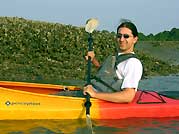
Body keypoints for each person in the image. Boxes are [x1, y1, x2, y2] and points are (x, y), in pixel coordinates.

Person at [83, 21, 143, 103]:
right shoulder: (115, 57)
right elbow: (105, 75)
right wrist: (93, 60)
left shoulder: (133, 63)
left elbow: (128, 96)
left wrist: (95, 94)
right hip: (89, 93)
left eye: (126, 36)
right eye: (119, 36)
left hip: (95, 98)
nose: (121, 39)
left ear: (135, 39)